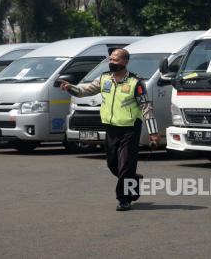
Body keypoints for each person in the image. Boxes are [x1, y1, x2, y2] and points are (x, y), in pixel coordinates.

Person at [60, 48, 160, 211]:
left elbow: (145, 107)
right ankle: (133, 179)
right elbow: (84, 91)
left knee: (126, 164)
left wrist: (153, 132)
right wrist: (70, 87)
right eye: (111, 59)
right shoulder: (104, 79)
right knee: (113, 164)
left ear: (125, 62)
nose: (112, 62)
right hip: (111, 128)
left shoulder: (135, 82)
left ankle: (123, 199)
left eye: (116, 60)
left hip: (130, 128)